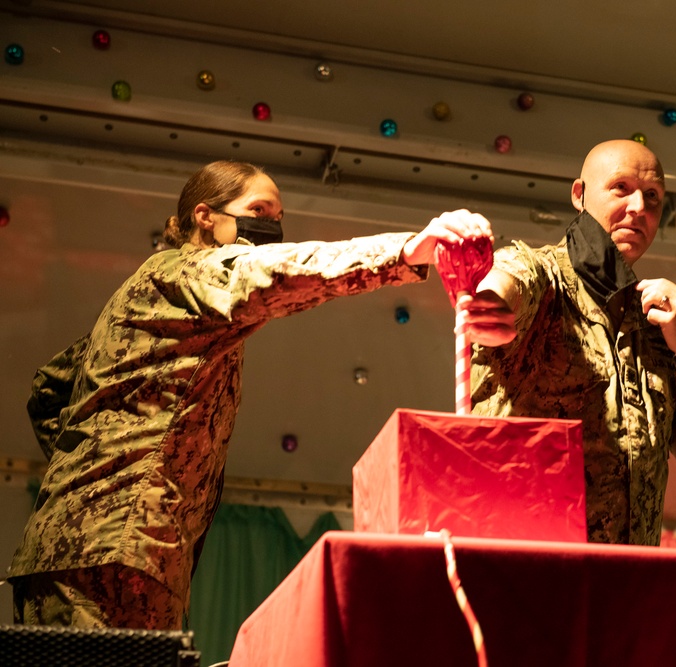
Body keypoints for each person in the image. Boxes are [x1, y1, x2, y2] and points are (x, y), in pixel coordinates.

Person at [5, 160, 494, 630]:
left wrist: (87, 478)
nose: (272, 226)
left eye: (278, 217)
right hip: (111, 556)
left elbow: (50, 388)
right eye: (259, 211)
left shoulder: (159, 301)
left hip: (99, 549)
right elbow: (277, 270)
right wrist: (408, 251)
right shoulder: (186, 273)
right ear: (205, 216)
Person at [463, 139, 676, 546]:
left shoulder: (657, 320)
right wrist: (491, 302)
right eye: (621, 188)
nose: (639, 207)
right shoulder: (544, 275)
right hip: (526, 573)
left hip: (627, 587)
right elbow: (509, 279)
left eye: (653, 197)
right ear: (579, 194)